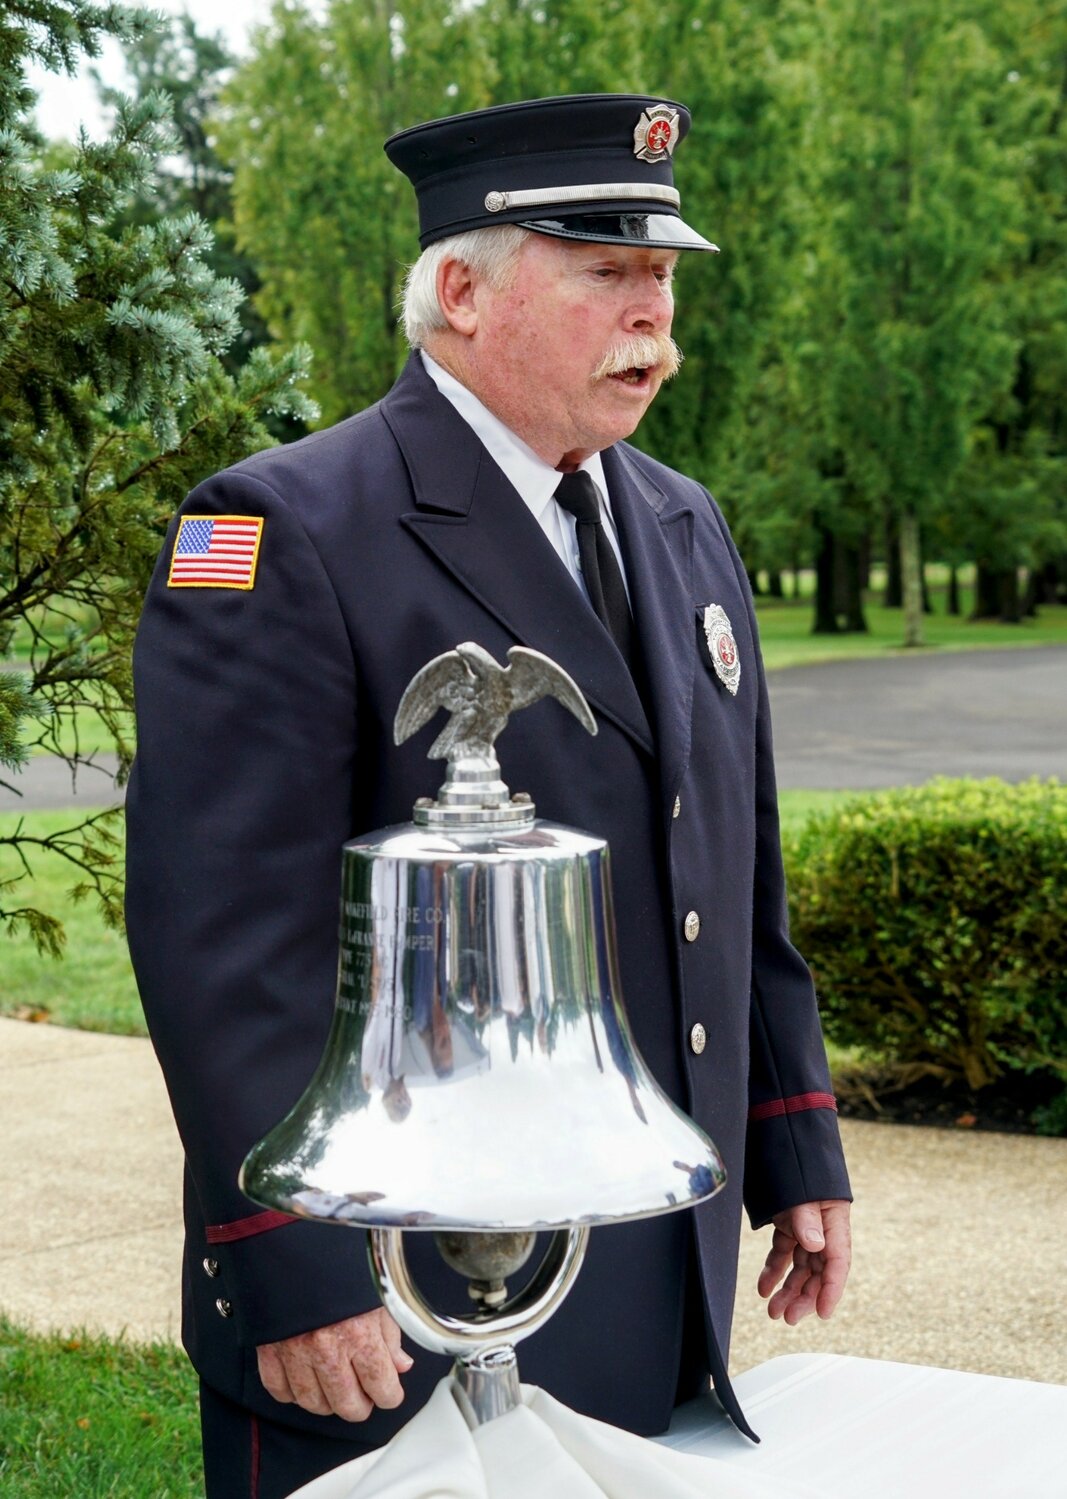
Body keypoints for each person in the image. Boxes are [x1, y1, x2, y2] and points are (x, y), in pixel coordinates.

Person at [125, 93, 852, 1499]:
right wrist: (295, 1261)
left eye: (663, 280)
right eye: (608, 277)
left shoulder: (682, 525)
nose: (658, 322)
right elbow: (220, 933)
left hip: (653, 1255)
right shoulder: (278, 529)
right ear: (461, 293)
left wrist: (793, 1138)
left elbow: (730, 872)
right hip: (403, 1283)